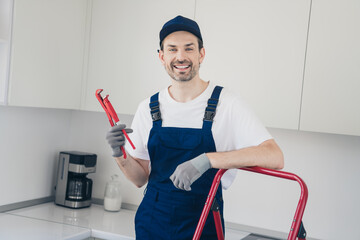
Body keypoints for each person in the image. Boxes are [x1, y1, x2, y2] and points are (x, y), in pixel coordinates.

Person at [106, 15, 284, 240]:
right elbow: (140, 178)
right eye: (172, 49)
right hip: (152, 224)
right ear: (161, 57)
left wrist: (207, 160)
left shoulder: (227, 104)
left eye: (188, 49)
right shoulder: (148, 108)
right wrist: (119, 155)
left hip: (202, 226)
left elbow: (274, 156)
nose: (180, 57)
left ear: (201, 54)